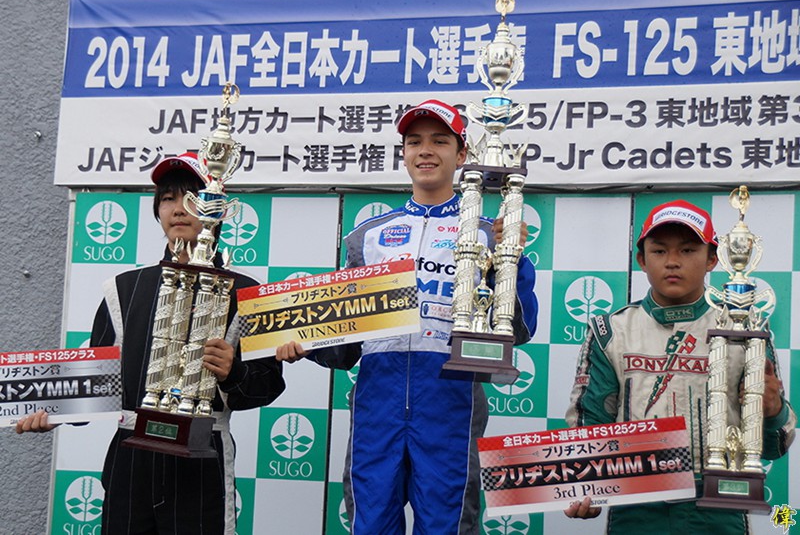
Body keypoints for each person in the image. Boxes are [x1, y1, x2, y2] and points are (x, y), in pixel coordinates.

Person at [277, 99, 539, 534]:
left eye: (440, 141)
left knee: (447, 525)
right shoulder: (367, 237)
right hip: (377, 399)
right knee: (371, 524)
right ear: (403, 153)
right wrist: (306, 342)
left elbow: (520, 328)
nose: (425, 151)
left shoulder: (488, 233)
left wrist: (513, 258)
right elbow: (345, 344)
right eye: (414, 142)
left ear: (463, 154)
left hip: (451, 399)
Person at [17, 152, 286, 535]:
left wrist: (234, 373)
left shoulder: (247, 293)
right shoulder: (123, 288)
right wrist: (50, 410)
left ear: (217, 209)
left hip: (202, 457)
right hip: (130, 456)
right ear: (157, 210)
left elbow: (268, 385)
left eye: (191, 198)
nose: (178, 209)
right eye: (167, 198)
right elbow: (96, 382)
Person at [564, 199, 796, 533]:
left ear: (712, 259)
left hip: (717, 508)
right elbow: (591, 425)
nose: (672, 262)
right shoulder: (612, 331)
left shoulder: (744, 327)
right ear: (642, 260)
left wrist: (772, 411)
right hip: (637, 508)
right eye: (659, 251)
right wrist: (583, 487)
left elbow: (776, 446)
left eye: (687, 250)